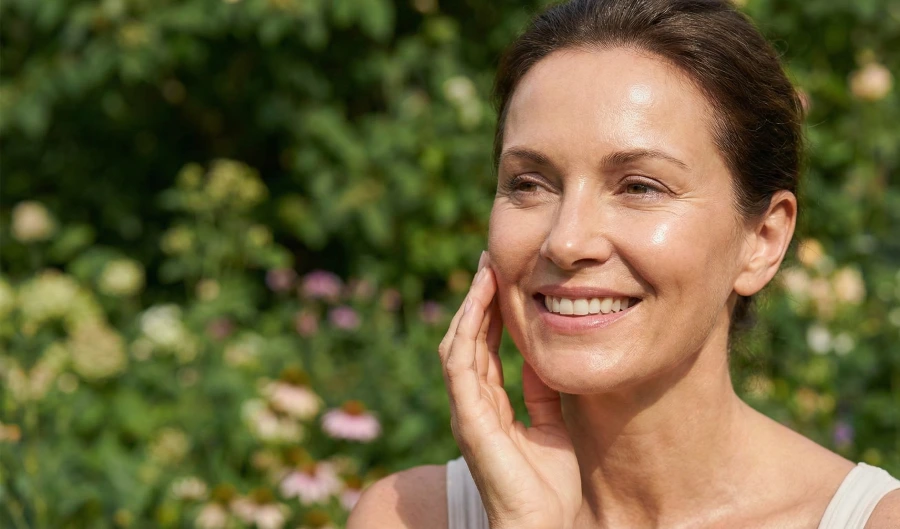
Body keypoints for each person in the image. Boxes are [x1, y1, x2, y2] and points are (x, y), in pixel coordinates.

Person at [348, 0, 900, 527]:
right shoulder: (407, 517)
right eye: (530, 183)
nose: (566, 241)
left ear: (763, 239)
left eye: (639, 186)